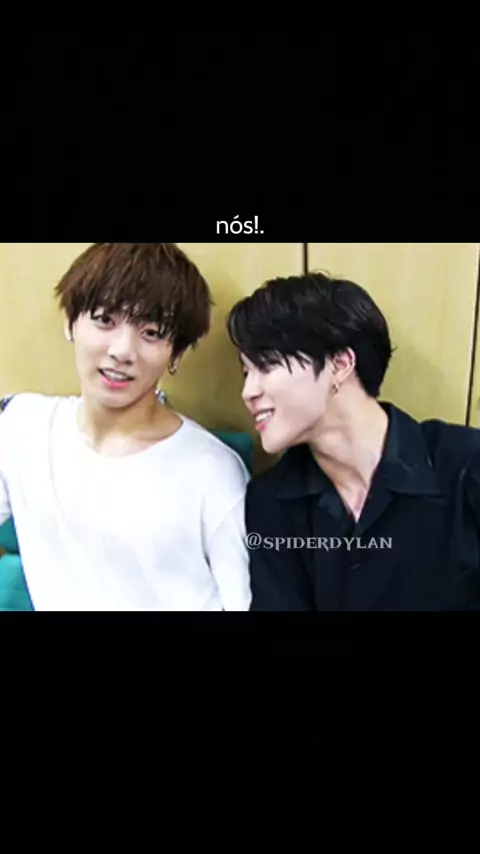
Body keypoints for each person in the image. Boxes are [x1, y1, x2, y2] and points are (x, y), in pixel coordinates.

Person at [0, 243, 251, 611]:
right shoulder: (23, 428)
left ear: (176, 353)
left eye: (151, 332)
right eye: (105, 320)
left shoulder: (213, 472)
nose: (122, 351)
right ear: (70, 322)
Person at [226, 271, 480, 611]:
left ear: (340, 364)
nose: (248, 391)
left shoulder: (465, 464)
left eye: (266, 365)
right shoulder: (271, 502)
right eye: (246, 372)